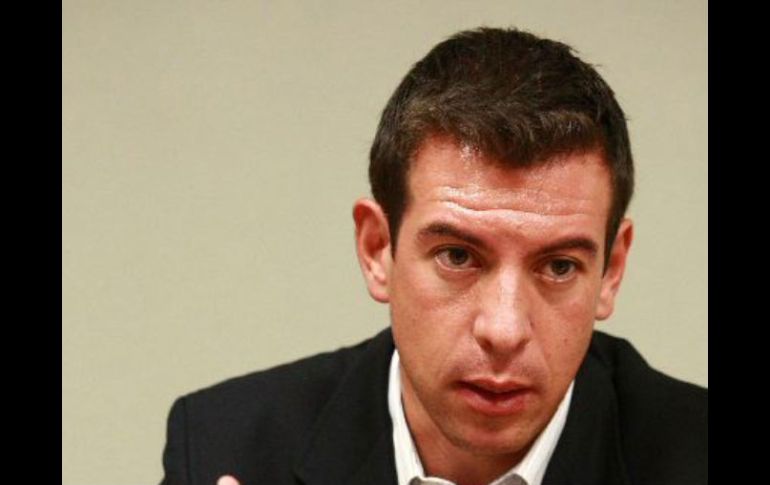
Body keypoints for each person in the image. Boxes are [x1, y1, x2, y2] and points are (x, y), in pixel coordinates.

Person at [159, 27, 707, 485]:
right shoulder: (227, 447)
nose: (504, 330)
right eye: (458, 256)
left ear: (611, 271)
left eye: (559, 267)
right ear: (378, 248)